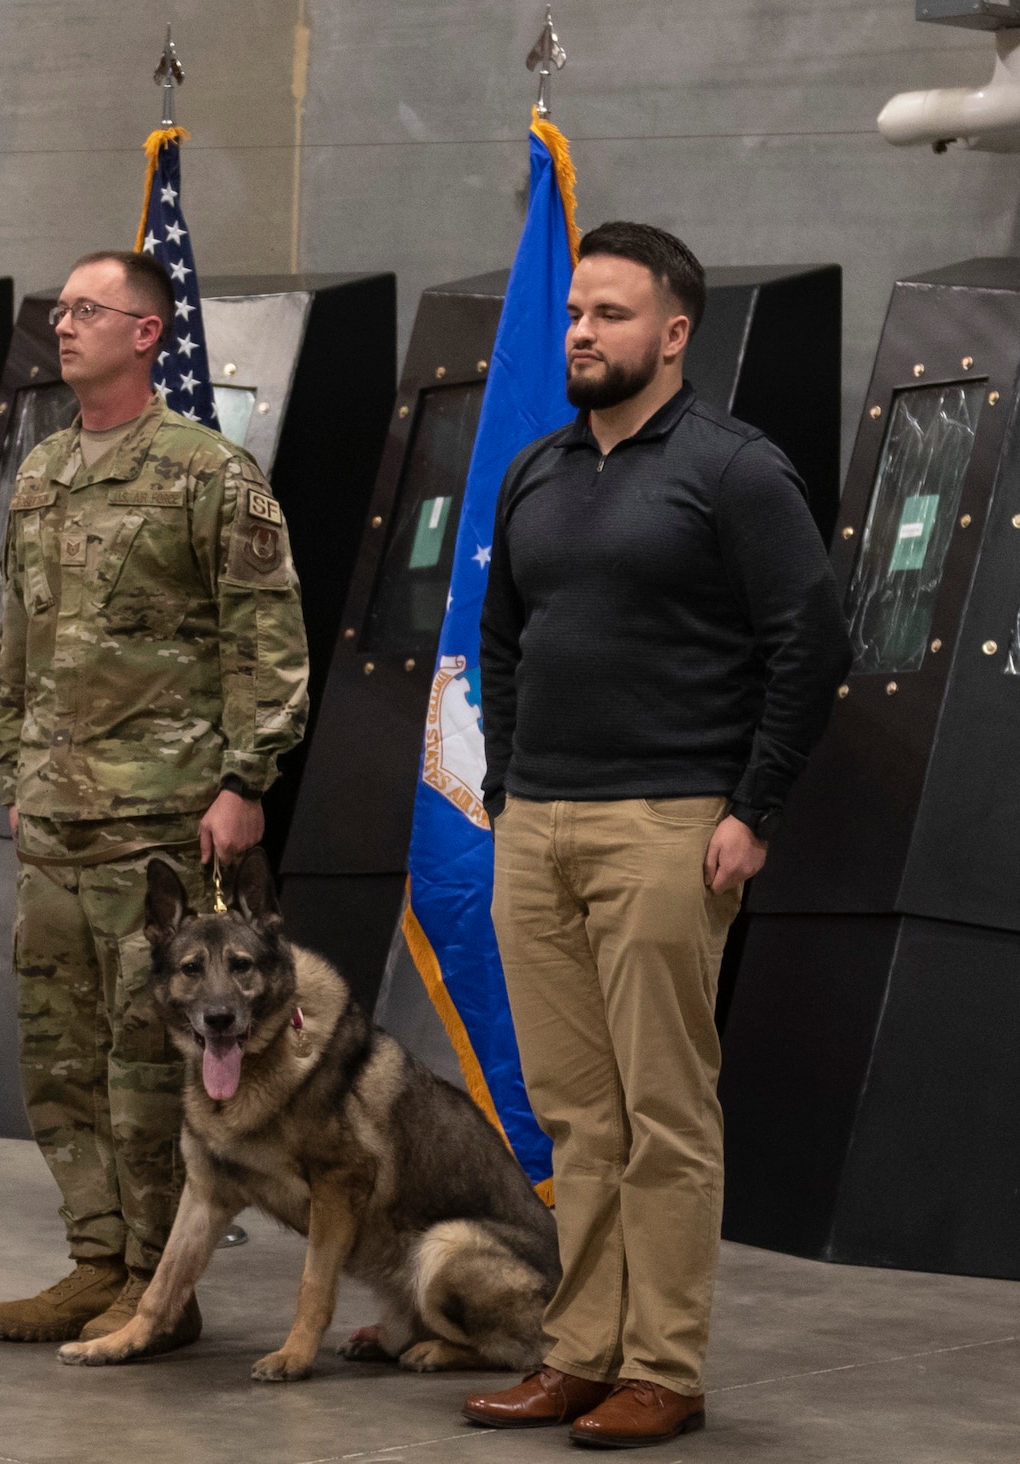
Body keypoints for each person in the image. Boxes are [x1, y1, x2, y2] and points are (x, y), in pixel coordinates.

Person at [463, 222, 849, 1447]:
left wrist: (751, 809)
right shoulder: (536, 470)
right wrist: (516, 789)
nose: (581, 332)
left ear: (673, 334)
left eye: (610, 315)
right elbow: (504, 641)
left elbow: (811, 640)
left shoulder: (732, 470)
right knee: (575, 1114)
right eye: (575, 313)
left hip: (668, 825)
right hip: (539, 826)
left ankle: (663, 1369)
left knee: (663, 1113)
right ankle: (580, 1353)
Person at [0, 251, 310, 1350]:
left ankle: (157, 1287)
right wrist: (13, 776)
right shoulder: (39, 475)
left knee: (143, 1062)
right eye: (58, 309)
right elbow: (18, 643)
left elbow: (266, 637)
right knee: (55, 1051)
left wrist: (244, 779)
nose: (63, 326)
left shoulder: (207, 474)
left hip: (166, 826)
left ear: (146, 333)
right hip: (56, 819)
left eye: (86, 309)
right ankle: (93, 1259)